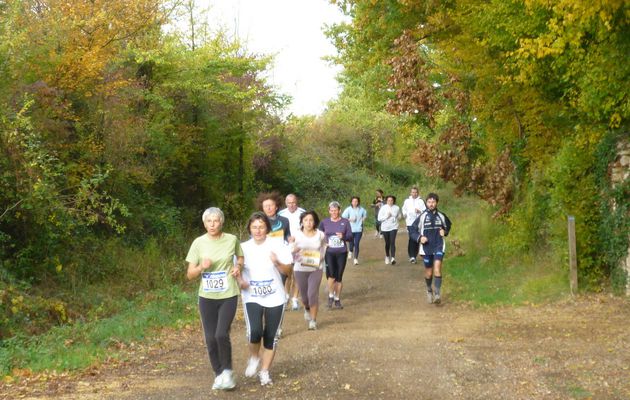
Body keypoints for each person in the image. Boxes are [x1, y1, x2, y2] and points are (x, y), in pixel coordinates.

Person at [185, 207, 243, 391]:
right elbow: (189, 275)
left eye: (216, 221)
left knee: (221, 334)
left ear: (221, 222)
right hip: (207, 296)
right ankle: (218, 374)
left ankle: (227, 371)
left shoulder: (232, 239)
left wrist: (238, 267)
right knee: (210, 338)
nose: (212, 224)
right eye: (209, 221)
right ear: (204, 223)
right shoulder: (198, 243)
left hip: (228, 294)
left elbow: (240, 257)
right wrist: (202, 266)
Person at [238, 212, 293, 386]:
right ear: (249, 229)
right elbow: (236, 270)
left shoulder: (278, 244)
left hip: (275, 296)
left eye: (261, 227)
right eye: (254, 227)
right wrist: (240, 282)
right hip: (252, 295)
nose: (258, 230)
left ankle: (264, 371)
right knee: (254, 332)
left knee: (271, 335)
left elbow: (288, 272)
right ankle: (254, 357)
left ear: (267, 228)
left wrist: (277, 262)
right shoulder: (243, 247)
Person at [409, 193, 452, 304]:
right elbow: (412, 231)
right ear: (426, 203)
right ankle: (429, 289)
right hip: (426, 248)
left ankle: (437, 294)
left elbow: (448, 225)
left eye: (433, 202)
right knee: (429, 272)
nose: (431, 204)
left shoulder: (442, 216)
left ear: (436, 203)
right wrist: (420, 237)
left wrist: (445, 232)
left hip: (439, 245)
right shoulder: (422, 217)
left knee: (437, 268)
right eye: (429, 202)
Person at [290, 210, 326, 330]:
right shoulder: (296, 234)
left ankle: (313, 321)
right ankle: (306, 308)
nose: (309, 223)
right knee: (305, 297)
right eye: (306, 220)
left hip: (316, 268)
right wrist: (293, 249)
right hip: (300, 269)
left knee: (312, 294)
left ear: (315, 221)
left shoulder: (320, 234)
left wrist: (322, 255)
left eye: (311, 220)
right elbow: (291, 250)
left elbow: (324, 245)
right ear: (302, 222)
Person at [318, 201, 353, 309]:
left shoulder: (345, 222)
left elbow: (350, 237)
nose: (333, 212)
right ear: (329, 211)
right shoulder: (324, 222)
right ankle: (330, 296)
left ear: (339, 210)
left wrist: (343, 236)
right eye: (331, 210)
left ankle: (337, 299)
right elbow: (318, 235)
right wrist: (324, 243)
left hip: (341, 252)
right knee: (331, 275)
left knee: (339, 277)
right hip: (329, 252)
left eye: (335, 210)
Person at [278, 193, 305, 311]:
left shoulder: (303, 213)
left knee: (298, 273)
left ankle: (295, 299)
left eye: (293, 202)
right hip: (285, 248)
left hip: (300, 247)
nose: (291, 205)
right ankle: (285, 296)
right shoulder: (281, 214)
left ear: (297, 202)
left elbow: (309, 228)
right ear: (286, 202)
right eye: (289, 203)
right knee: (287, 273)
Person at [401, 186, 426, 264]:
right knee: (411, 238)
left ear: (417, 193)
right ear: (410, 193)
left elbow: (425, 210)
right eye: (413, 192)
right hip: (410, 222)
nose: (414, 194)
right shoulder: (407, 201)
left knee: (417, 238)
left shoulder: (421, 201)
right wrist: (405, 214)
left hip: (419, 222)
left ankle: (414, 254)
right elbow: (404, 209)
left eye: (415, 192)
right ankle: (412, 256)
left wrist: (420, 211)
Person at [341, 196, 367, 265]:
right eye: (353, 201)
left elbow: (365, 214)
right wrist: (350, 219)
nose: (355, 203)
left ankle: (355, 259)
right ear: (351, 202)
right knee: (351, 243)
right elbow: (343, 218)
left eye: (356, 201)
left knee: (357, 243)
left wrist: (363, 218)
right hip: (350, 229)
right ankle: (350, 251)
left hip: (359, 229)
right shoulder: (348, 209)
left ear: (358, 202)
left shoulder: (361, 209)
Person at [378, 195, 402, 265]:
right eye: (389, 200)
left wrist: (397, 217)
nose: (390, 202)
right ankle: (387, 256)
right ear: (386, 201)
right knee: (387, 243)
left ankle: (393, 258)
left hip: (394, 227)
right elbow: (379, 218)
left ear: (393, 201)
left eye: (391, 200)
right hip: (385, 228)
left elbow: (400, 216)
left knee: (392, 242)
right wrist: (386, 216)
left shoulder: (397, 208)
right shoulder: (383, 208)